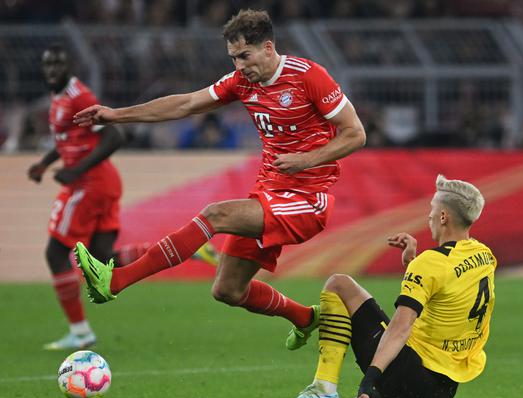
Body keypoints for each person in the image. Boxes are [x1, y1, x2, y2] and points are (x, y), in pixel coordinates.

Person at [72, 9, 366, 347]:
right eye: (233, 57)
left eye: (245, 55)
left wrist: (305, 160)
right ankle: (306, 317)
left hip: (307, 200)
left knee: (215, 214)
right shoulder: (241, 81)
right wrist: (116, 115)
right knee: (227, 290)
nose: (239, 65)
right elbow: (186, 103)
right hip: (268, 193)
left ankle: (116, 280)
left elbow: (355, 134)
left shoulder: (309, 76)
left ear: (268, 48)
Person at [270, 174, 496, 398]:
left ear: (444, 216)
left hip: (407, 375)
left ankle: (323, 388)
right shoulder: (484, 256)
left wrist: (371, 380)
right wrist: (413, 261)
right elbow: (445, 289)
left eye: (432, 210)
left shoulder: (431, 264)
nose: (430, 216)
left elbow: (401, 328)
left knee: (339, 285)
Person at [28, 44, 216, 350]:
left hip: (89, 185)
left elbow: (114, 136)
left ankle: (79, 331)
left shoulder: (81, 97)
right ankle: (191, 249)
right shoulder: (60, 96)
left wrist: (76, 172)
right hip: (100, 183)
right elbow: (67, 138)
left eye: (57, 65)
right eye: (47, 65)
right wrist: (45, 164)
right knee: (102, 260)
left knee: (54, 253)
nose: (51, 71)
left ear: (69, 65)